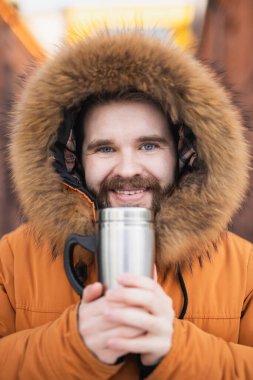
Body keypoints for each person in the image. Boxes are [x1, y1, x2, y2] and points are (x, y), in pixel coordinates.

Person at [0, 30, 252, 379]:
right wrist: (73, 347)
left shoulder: (244, 268)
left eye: (149, 146)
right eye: (105, 148)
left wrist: (177, 351)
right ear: (74, 159)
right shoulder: (11, 260)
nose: (128, 169)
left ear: (182, 153)